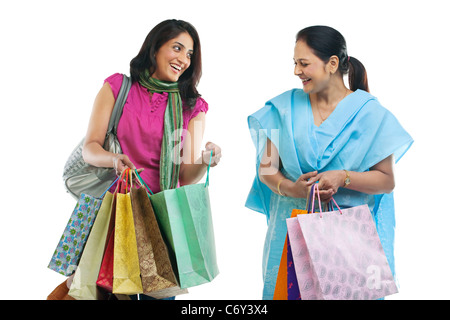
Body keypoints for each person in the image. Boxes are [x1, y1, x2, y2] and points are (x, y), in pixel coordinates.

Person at [245, 25, 413, 300]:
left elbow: (386, 180)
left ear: (332, 63)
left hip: (348, 245)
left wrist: (343, 177)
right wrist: (291, 188)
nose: (297, 71)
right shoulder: (280, 108)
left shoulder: (370, 114)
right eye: (295, 63)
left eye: (304, 63)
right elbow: (266, 169)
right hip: (289, 237)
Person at [81, 19, 221, 300]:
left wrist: (206, 159)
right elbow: (90, 148)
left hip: (161, 218)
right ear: (155, 48)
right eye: (177, 48)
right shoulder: (119, 88)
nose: (183, 59)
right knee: (100, 293)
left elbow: (185, 175)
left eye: (190, 54)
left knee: (158, 297)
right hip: (115, 212)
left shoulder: (192, 106)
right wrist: (114, 160)